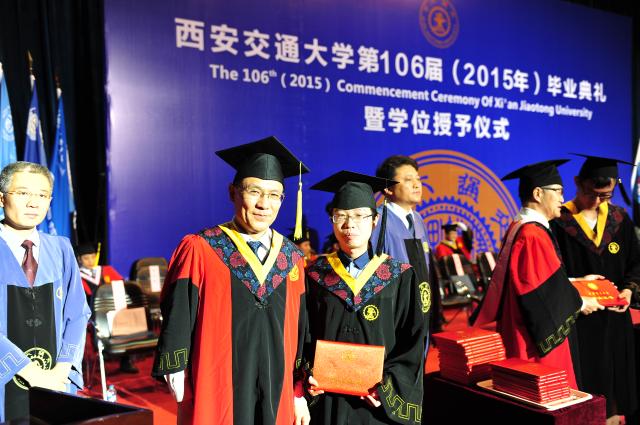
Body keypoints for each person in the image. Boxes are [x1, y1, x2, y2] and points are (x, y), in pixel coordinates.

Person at [151, 136, 310, 424]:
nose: (264, 204)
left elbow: (300, 330)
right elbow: (178, 312)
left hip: (277, 386)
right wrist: (176, 367)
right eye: (254, 191)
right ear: (233, 192)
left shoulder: (292, 258)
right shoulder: (202, 248)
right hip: (217, 383)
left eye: (274, 195)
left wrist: (298, 391)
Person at [305, 170, 428, 424]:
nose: (349, 225)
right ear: (332, 221)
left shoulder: (398, 276)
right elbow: (302, 334)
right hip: (326, 402)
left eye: (360, 216)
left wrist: (388, 388)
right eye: (341, 216)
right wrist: (306, 374)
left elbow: (412, 343)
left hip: (375, 404)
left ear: (374, 221)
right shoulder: (315, 275)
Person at [472, 159, 602, 389]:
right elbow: (540, 292)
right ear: (538, 193)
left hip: (519, 323)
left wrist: (577, 281)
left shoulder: (521, 227)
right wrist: (580, 302)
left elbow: (537, 278)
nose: (563, 198)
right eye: (558, 191)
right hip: (532, 339)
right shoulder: (532, 235)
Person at [550, 154, 639, 424]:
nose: (598, 201)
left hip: (615, 317)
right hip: (581, 318)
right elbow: (554, 272)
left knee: (617, 377)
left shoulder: (619, 220)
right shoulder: (560, 222)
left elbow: (636, 262)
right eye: (592, 194)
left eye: (606, 195)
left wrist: (629, 290)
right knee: (587, 378)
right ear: (578, 183)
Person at [0, 161, 90, 421]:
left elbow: (77, 314)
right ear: (2, 198)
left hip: (55, 382)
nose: (33, 203)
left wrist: (61, 369)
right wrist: (29, 372)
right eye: (23, 193)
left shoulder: (61, 249)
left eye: (42, 195)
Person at [371, 155, 437, 334]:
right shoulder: (378, 220)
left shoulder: (418, 219)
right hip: (393, 316)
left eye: (418, 179)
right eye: (408, 180)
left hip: (422, 309)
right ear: (388, 188)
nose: (417, 185)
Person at [76, 242, 139, 374]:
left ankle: (126, 359)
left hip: (113, 309)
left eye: (93, 257)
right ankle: (102, 354)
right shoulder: (77, 276)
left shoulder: (106, 270)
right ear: (79, 259)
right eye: (86, 258)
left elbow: (121, 286)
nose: (90, 261)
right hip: (93, 313)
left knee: (126, 319)